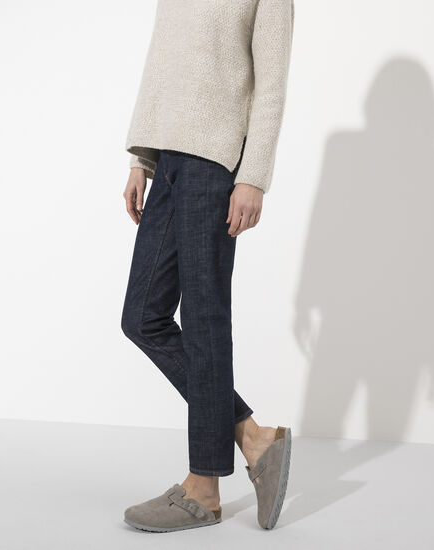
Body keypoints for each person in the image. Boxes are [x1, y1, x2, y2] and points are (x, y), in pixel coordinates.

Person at [120, 0, 295, 532]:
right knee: (142, 318)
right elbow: (163, 63)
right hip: (168, 159)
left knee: (203, 320)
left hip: (215, 164)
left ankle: (204, 488)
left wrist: (253, 176)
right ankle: (252, 436)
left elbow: (271, 83)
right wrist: (142, 159)